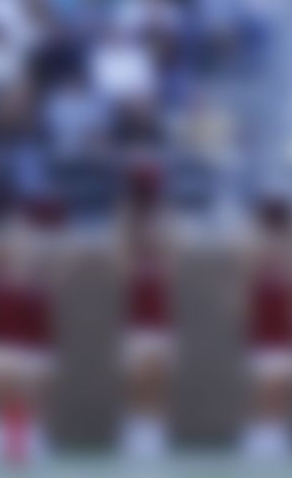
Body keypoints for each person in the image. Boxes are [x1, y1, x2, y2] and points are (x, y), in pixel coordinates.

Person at [0, 234, 54, 466]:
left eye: (23, 250)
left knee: (31, 385)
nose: (18, 254)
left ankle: (32, 439)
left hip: (31, 349)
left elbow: (42, 327)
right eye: (13, 250)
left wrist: (42, 359)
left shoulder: (39, 285)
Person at [239, 197, 292, 461]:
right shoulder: (255, 247)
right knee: (264, 383)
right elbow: (247, 280)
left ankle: (278, 432)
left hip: (285, 323)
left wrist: (290, 225)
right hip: (264, 324)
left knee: (284, 382)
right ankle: (260, 435)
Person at [116, 168, 174, 462]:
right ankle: (136, 427)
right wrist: (135, 229)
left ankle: (155, 428)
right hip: (136, 309)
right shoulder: (126, 220)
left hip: (159, 308)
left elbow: (173, 256)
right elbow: (122, 263)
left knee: (158, 372)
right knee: (137, 373)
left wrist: (158, 230)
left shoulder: (165, 220)